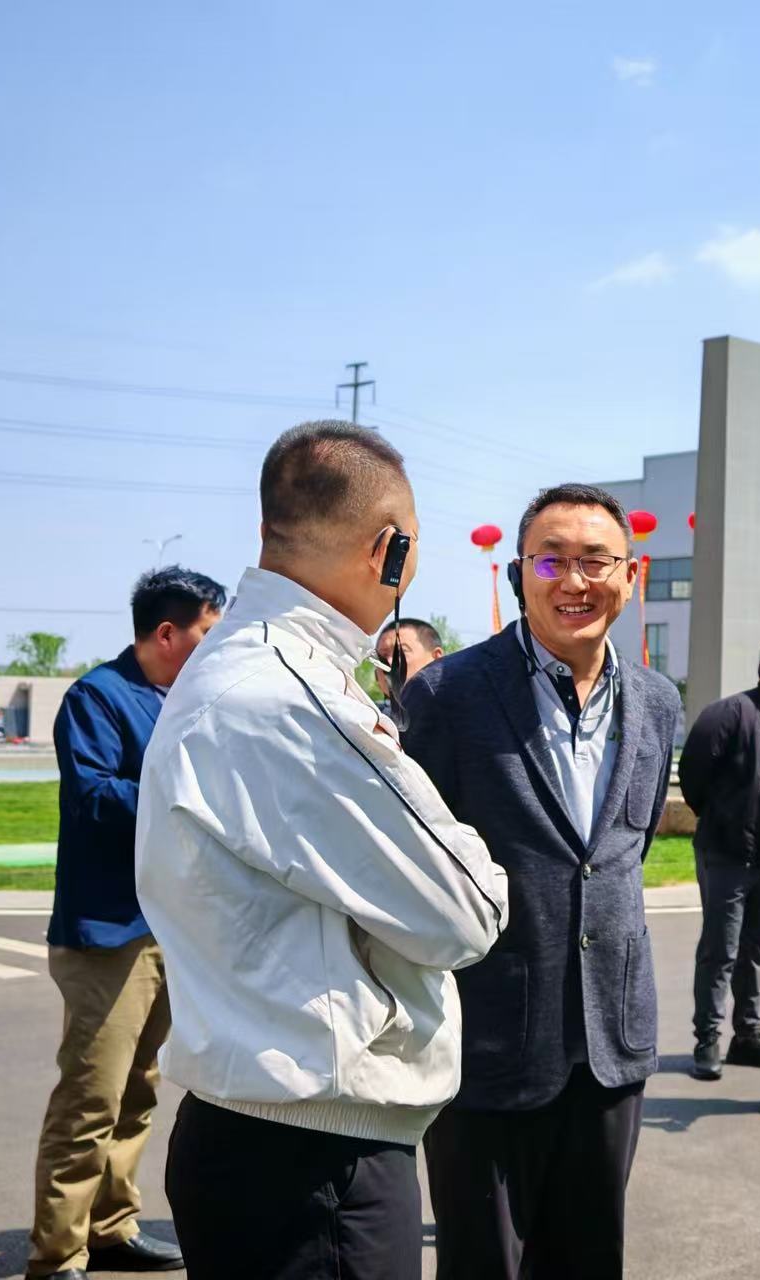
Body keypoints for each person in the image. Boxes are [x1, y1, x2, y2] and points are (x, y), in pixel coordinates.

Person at [136, 421, 509, 1280]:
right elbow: (469, 910)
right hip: (314, 1163)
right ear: (388, 549)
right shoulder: (294, 698)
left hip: (253, 1134)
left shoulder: (230, 666)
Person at [398, 482, 682, 1280]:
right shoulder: (447, 694)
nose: (574, 581)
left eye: (596, 561)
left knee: (591, 1259)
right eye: (551, 561)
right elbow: (415, 865)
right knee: (483, 1263)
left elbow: (621, 853)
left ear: (632, 575)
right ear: (519, 573)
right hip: (488, 1044)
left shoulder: (657, 701)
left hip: (611, 1042)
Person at [27, 565, 225, 1280]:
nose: (216, 644)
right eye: (207, 630)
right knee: (91, 1097)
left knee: (139, 1088)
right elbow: (93, 797)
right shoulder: (98, 697)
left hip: (167, 926)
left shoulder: (183, 699)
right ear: (167, 633)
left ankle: (111, 1228)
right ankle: (58, 1255)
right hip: (108, 932)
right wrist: (186, 791)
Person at [678, 633, 760, 1080]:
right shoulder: (730, 713)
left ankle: (748, 1035)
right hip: (726, 855)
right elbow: (693, 776)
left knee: (755, 950)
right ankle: (707, 1039)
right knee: (720, 950)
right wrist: (722, 820)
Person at [374, 617, 446, 728]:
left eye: (400, 652)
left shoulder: (465, 712)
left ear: (436, 659)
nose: (389, 662)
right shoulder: (367, 722)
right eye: (383, 655)